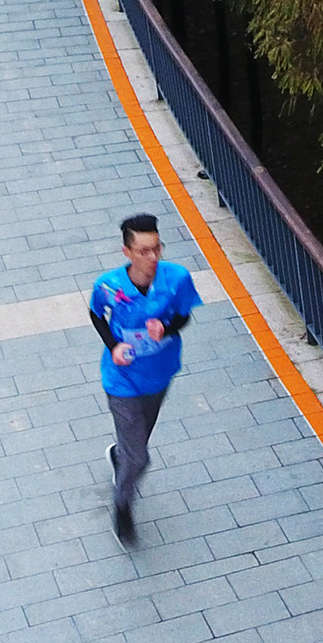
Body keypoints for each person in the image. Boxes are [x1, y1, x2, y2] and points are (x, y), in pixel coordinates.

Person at [90, 216, 200, 545]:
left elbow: (184, 314)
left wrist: (167, 329)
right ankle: (122, 505)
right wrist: (114, 346)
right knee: (140, 457)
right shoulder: (108, 285)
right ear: (127, 252)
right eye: (144, 251)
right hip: (121, 379)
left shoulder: (177, 278)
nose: (153, 258)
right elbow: (97, 315)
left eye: (156, 249)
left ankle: (120, 456)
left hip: (160, 374)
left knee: (135, 443)